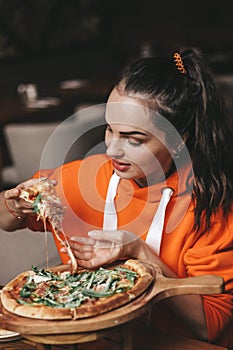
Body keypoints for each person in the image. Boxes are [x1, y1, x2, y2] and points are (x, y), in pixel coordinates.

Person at [0, 47, 233, 346]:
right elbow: (6, 220)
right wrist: (13, 202)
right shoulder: (85, 178)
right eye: (110, 130)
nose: (111, 150)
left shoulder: (208, 204)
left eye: (133, 139)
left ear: (178, 141)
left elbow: (208, 327)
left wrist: (139, 253)